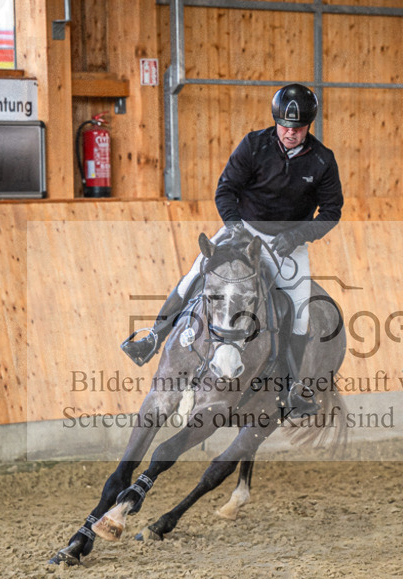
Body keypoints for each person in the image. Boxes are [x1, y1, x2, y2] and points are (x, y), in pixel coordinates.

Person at [121, 83, 343, 416]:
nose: (290, 133)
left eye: (297, 128)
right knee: (193, 275)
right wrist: (235, 225)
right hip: (244, 229)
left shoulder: (323, 161)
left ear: (308, 127)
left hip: (288, 241)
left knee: (300, 310)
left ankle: (294, 387)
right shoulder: (254, 145)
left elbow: (331, 212)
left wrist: (297, 236)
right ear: (276, 120)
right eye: (284, 125)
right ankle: (152, 337)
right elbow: (225, 189)